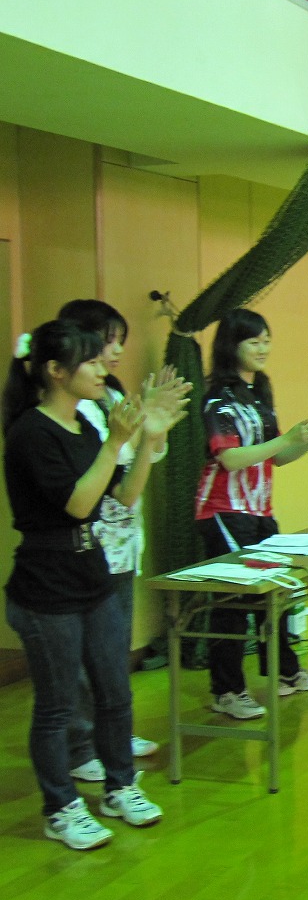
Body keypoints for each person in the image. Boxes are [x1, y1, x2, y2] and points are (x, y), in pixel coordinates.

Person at [3, 320, 186, 849]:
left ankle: (120, 787)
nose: (103, 367)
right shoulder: (31, 433)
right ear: (55, 371)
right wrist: (118, 440)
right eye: (89, 360)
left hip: (93, 575)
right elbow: (78, 505)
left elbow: (121, 500)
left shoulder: (85, 429)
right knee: (57, 705)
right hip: (45, 587)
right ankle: (60, 808)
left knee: (115, 692)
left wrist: (149, 439)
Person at [195, 308, 308, 720]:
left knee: (276, 592)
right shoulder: (217, 399)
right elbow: (230, 459)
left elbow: (276, 457)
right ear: (232, 346)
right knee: (233, 602)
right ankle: (227, 690)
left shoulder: (258, 392)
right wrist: (287, 439)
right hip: (224, 511)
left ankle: (284, 672)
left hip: (260, 510)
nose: (263, 348)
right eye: (254, 341)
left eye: (266, 340)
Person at [58, 299, 185, 781]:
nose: (115, 352)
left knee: (113, 649)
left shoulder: (112, 394)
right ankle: (80, 745)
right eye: (106, 341)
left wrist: (155, 428)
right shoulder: (71, 407)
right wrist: (138, 433)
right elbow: (108, 463)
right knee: (82, 654)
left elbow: (143, 456)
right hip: (90, 542)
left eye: (119, 342)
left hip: (124, 539)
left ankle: (113, 731)